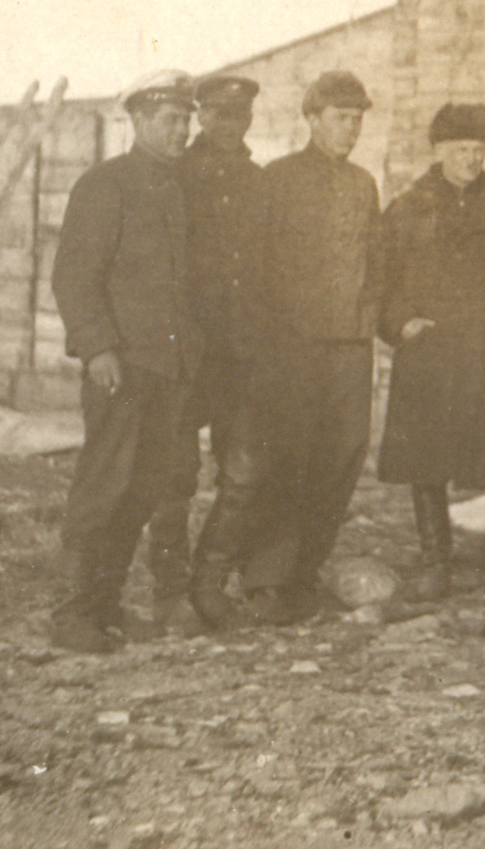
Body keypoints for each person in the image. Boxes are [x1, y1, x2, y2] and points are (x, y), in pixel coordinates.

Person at [190, 69, 381, 630]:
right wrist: (267, 342)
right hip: (292, 346)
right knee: (287, 461)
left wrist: (371, 317)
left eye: (357, 120)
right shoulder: (278, 180)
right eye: (340, 118)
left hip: (349, 346)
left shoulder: (363, 185)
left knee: (341, 459)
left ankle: (303, 573)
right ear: (313, 119)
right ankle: (266, 580)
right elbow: (255, 266)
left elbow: (376, 261)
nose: (350, 129)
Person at [46, 69, 206, 653]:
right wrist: (98, 349)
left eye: (185, 120)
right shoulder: (105, 185)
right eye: (169, 120)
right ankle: (71, 615)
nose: (180, 131)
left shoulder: (180, 189)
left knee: (143, 490)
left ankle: (105, 607)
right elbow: (74, 275)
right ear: (137, 121)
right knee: (103, 487)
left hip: (168, 369)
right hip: (123, 367)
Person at [375, 102, 485, 599]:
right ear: (438, 151)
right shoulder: (409, 209)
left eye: (479, 150)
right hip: (433, 353)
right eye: (461, 150)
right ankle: (436, 564)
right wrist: (400, 325)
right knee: (427, 459)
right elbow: (379, 280)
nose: (472, 160)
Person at [144, 72, 274, 631]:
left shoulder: (259, 183)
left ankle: (208, 581)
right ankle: (170, 592)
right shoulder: (174, 175)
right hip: (184, 354)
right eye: (219, 114)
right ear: (201, 116)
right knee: (175, 477)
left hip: (240, 354)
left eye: (240, 115)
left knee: (244, 472)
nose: (230, 125)